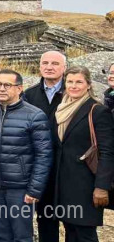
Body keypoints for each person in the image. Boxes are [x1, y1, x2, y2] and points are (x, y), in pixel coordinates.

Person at [0, 69, 52, 242]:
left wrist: (34, 189)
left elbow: (44, 156)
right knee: (0, 234)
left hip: (20, 189)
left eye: (7, 85)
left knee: (22, 236)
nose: (1, 88)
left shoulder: (35, 115)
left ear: (19, 89)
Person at [51, 66, 114, 242]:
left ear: (88, 84)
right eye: (70, 81)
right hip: (63, 184)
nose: (74, 85)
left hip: (86, 186)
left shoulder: (97, 111)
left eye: (79, 81)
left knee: (84, 235)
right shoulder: (61, 108)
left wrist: (102, 187)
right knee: (70, 232)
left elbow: (107, 152)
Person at [23, 50, 67, 242]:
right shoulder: (29, 94)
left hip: (66, 166)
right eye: (45, 63)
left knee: (73, 220)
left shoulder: (72, 91)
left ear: (64, 68)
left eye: (55, 63)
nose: (49, 67)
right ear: (39, 66)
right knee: (45, 218)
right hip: (39, 166)